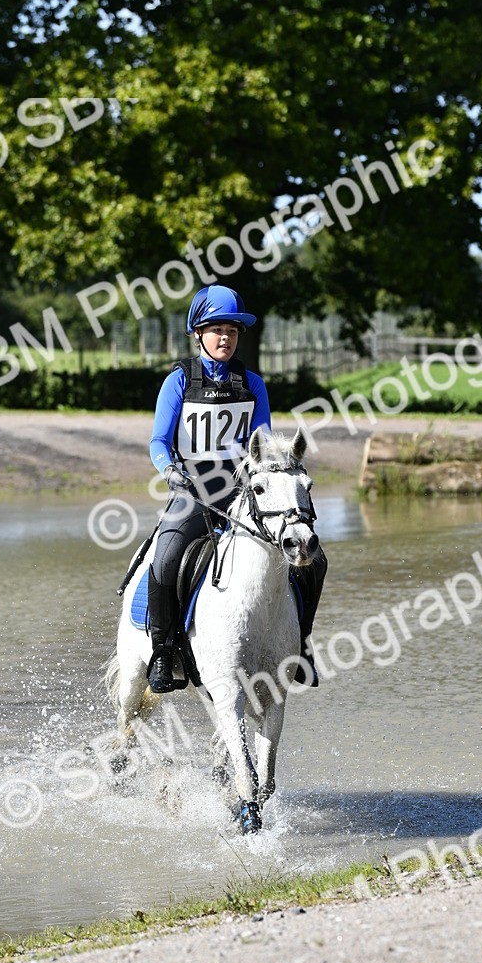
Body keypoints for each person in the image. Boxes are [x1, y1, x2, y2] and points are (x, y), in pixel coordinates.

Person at [147, 283, 326, 692]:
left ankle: (300, 645)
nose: (225, 338)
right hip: (193, 490)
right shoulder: (178, 381)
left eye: (232, 331)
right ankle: (164, 651)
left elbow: (262, 444)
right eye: (216, 330)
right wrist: (169, 470)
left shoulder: (253, 383)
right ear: (198, 333)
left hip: (244, 491)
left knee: (314, 560)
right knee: (165, 562)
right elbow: (159, 440)